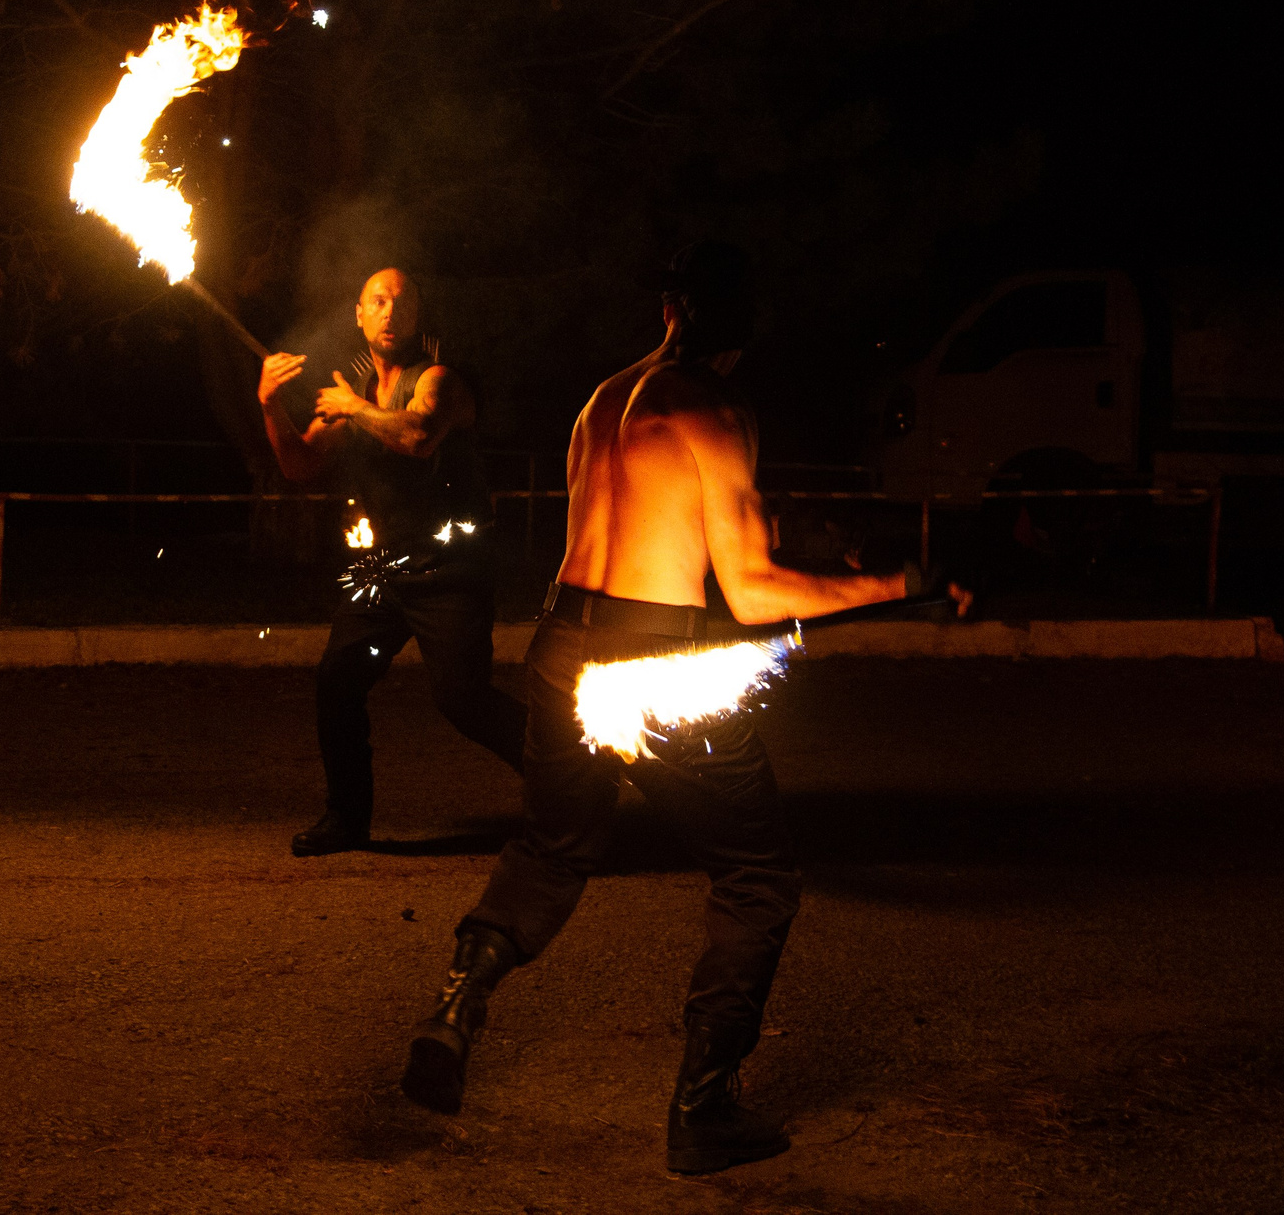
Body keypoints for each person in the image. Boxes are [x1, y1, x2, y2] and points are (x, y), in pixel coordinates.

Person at [397, 243, 906, 1176]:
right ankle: (703, 1107)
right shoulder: (715, 410)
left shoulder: (601, 400)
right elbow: (751, 591)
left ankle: (457, 1004)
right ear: (739, 337)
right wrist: (898, 579)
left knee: (552, 848)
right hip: (654, 657)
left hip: (562, 643)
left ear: (671, 311)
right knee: (757, 874)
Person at [258, 269, 525, 857]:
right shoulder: (348, 391)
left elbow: (419, 436)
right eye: (377, 302)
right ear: (359, 314)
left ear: (417, 317)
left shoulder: (440, 380)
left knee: (465, 703)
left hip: (449, 569)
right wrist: (270, 404)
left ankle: (574, 784)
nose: (388, 313)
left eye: (401, 304)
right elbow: (300, 466)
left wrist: (354, 408)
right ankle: (346, 819)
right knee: (337, 681)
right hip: (382, 572)